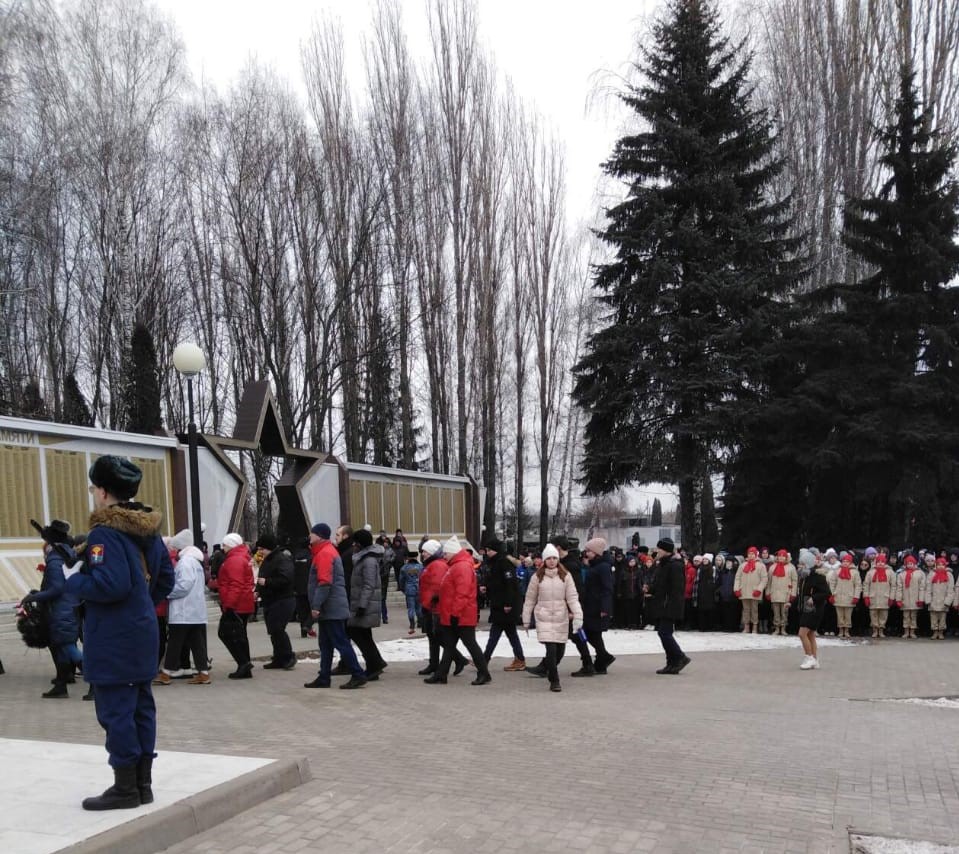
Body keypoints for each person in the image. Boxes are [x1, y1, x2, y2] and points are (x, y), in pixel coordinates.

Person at [64, 455, 175, 810]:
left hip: (114, 638)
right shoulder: (148, 530)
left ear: (102, 492)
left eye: (95, 486)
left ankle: (125, 788)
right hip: (142, 634)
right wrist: (141, 605)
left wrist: (74, 580)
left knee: (115, 711)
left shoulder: (104, 533)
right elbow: (165, 580)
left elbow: (110, 585)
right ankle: (142, 785)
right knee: (141, 707)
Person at [23, 520, 83, 698]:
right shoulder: (65, 554)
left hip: (61, 610)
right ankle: (61, 685)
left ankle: (96, 684)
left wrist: (33, 597)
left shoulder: (56, 560)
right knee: (62, 648)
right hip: (66, 609)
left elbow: (57, 589)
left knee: (69, 649)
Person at [304, 523, 367, 690]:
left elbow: (324, 583)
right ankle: (324, 676)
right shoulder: (324, 551)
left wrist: (316, 606)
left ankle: (358, 674)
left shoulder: (325, 553)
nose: (309, 536)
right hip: (329, 607)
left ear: (319, 536)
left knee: (340, 642)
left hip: (331, 607)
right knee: (325, 644)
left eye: (312, 533)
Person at [425, 535, 491, 686]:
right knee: (449, 645)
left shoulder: (461, 567)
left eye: (446, 553)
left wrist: (455, 613)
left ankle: (484, 673)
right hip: (454, 614)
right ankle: (441, 674)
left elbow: (462, 593)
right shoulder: (456, 565)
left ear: (453, 552)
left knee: (470, 645)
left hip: (461, 615)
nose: (444, 555)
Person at [522, 543, 583, 692]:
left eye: (554, 558)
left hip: (561, 617)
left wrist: (578, 616)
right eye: (548, 558)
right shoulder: (537, 577)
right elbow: (530, 599)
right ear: (544, 560)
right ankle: (554, 680)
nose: (552, 561)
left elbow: (572, 598)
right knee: (551, 650)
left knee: (560, 651)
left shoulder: (565, 576)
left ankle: (549, 670)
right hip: (544, 617)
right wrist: (526, 618)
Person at [153, 539, 210, 685]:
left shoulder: (185, 562)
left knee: (174, 642)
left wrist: (167, 593)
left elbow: (184, 585)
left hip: (183, 611)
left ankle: (166, 674)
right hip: (195, 611)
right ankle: (203, 672)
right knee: (197, 643)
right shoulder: (196, 563)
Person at [417, 539, 469, 677]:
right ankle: (435, 663)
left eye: (425, 551)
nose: (423, 554)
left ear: (433, 552)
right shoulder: (432, 564)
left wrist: (427, 605)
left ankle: (458, 659)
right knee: (433, 636)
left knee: (438, 636)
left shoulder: (437, 565)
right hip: (430, 605)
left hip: (435, 607)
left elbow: (436, 588)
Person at [644, 537, 690, 675]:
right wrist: (650, 589)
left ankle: (680, 657)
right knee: (664, 633)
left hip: (669, 605)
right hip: (662, 604)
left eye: (659, 549)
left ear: (666, 551)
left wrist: (669, 604)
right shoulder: (663, 564)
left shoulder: (675, 565)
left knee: (664, 633)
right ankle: (671, 663)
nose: (657, 551)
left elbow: (677, 589)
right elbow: (660, 584)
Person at [347, 529, 389, 680]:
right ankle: (374, 665)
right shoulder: (364, 558)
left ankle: (375, 664)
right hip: (362, 603)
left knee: (357, 633)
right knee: (363, 635)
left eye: (355, 542)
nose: (353, 545)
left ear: (360, 543)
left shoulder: (369, 560)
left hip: (365, 605)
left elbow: (369, 584)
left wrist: (362, 605)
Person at [571, 538, 615, 677]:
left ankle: (603, 658)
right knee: (594, 634)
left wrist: (605, 608)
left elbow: (607, 589)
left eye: (589, 551)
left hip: (596, 607)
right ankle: (602, 661)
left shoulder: (603, 567)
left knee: (591, 633)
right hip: (591, 605)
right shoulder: (596, 565)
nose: (586, 553)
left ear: (597, 552)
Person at [481, 539, 526, 671]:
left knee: (496, 633)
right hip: (500, 604)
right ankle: (519, 659)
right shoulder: (495, 563)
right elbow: (496, 582)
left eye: (490, 550)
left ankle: (484, 659)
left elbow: (509, 585)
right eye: (487, 550)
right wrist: (487, 588)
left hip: (505, 605)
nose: (487, 553)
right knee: (509, 633)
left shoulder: (504, 563)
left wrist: (508, 603)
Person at [255, 532, 297, 669]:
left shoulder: (282, 559)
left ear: (269, 547)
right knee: (273, 630)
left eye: (262, 549)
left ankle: (288, 656)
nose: (260, 552)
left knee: (278, 629)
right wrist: (257, 590)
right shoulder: (268, 560)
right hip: (271, 600)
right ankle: (279, 657)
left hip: (283, 600)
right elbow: (261, 577)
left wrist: (267, 582)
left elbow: (286, 579)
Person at [216, 533, 255, 679]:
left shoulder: (234, 559)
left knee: (225, 633)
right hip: (242, 603)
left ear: (231, 545)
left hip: (236, 605)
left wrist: (229, 606)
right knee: (240, 636)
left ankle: (244, 663)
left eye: (224, 544)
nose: (223, 547)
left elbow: (236, 584)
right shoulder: (240, 557)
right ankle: (245, 666)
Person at [796, 548, 831, 670]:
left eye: (802, 564)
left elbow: (827, 593)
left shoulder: (818, 576)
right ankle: (815, 659)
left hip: (814, 608)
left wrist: (814, 598)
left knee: (802, 634)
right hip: (805, 606)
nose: (800, 566)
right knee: (810, 634)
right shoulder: (804, 576)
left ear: (808, 564)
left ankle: (809, 657)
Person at [734, 546, 767, 633]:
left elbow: (764, 579)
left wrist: (759, 589)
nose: (751, 555)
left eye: (753, 554)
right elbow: (737, 578)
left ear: (756, 555)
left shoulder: (761, 566)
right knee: (746, 610)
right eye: (749, 554)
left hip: (754, 591)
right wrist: (736, 589)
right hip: (744, 591)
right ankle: (746, 626)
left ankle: (755, 627)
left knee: (754, 610)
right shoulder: (742, 565)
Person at [765, 549, 797, 637]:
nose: (781, 558)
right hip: (774, 592)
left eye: (783, 556)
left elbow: (794, 581)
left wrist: (793, 594)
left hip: (786, 593)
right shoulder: (772, 567)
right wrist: (768, 592)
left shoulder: (791, 567)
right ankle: (776, 628)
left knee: (784, 612)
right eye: (780, 556)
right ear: (777, 557)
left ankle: (783, 628)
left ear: (786, 557)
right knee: (776, 612)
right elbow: (769, 581)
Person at [830, 551, 862, 639]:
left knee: (848, 615)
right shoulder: (837, 571)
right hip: (838, 596)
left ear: (850, 562)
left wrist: (856, 596)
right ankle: (840, 630)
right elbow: (832, 583)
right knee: (839, 615)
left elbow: (858, 585)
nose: (845, 563)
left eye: (847, 561)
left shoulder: (855, 572)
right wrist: (832, 594)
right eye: (844, 561)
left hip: (849, 597)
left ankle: (847, 630)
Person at [863, 552, 894, 639]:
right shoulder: (870, 572)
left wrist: (891, 597)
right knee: (873, 614)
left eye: (882, 562)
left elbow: (893, 586)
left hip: (885, 597)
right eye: (879, 561)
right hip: (873, 597)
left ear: (885, 562)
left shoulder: (890, 572)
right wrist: (866, 596)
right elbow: (866, 585)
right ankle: (875, 629)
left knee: (883, 615)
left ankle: (881, 630)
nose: (880, 563)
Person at [895, 553, 926, 639]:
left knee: (913, 616)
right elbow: (899, 588)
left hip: (915, 599)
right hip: (905, 599)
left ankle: (912, 632)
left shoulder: (920, 573)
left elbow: (922, 587)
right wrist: (899, 599)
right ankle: (906, 631)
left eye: (911, 563)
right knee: (906, 616)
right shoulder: (901, 574)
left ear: (915, 563)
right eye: (908, 563)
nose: (909, 565)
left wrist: (921, 599)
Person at [926, 556, 954, 639]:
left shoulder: (949, 575)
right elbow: (928, 588)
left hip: (943, 601)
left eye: (942, 565)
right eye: (938, 564)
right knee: (933, 618)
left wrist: (948, 601)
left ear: (945, 565)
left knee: (942, 618)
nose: (940, 566)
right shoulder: (932, 574)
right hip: (933, 600)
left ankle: (941, 632)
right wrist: (928, 600)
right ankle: (935, 632)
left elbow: (950, 589)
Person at [399, 552, 423, 635]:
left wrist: (403, 589)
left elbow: (401, 580)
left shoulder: (404, 568)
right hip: (419, 589)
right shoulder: (421, 567)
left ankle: (412, 625)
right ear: (416, 557)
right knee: (419, 608)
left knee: (411, 608)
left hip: (409, 590)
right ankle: (420, 623)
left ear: (408, 558)